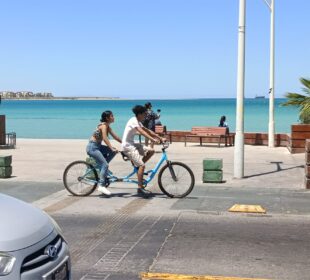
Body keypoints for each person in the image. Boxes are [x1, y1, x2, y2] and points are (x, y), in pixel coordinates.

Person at [122, 105, 166, 195]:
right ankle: (139, 188)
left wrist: (160, 137)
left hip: (133, 144)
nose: (145, 116)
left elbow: (147, 130)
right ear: (139, 114)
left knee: (151, 151)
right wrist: (153, 140)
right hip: (127, 146)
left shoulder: (138, 121)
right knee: (142, 166)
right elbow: (142, 132)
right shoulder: (133, 121)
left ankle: (139, 167)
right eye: (144, 114)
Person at [86, 110, 122, 195]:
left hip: (98, 147)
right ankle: (101, 185)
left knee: (113, 152)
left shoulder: (107, 126)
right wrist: (111, 147)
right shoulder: (103, 126)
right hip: (92, 147)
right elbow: (105, 138)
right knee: (105, 164)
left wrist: (124, 143)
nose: (114, 117)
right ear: (107, 118)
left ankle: (103, 168)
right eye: (112, 116)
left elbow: (116, 137)